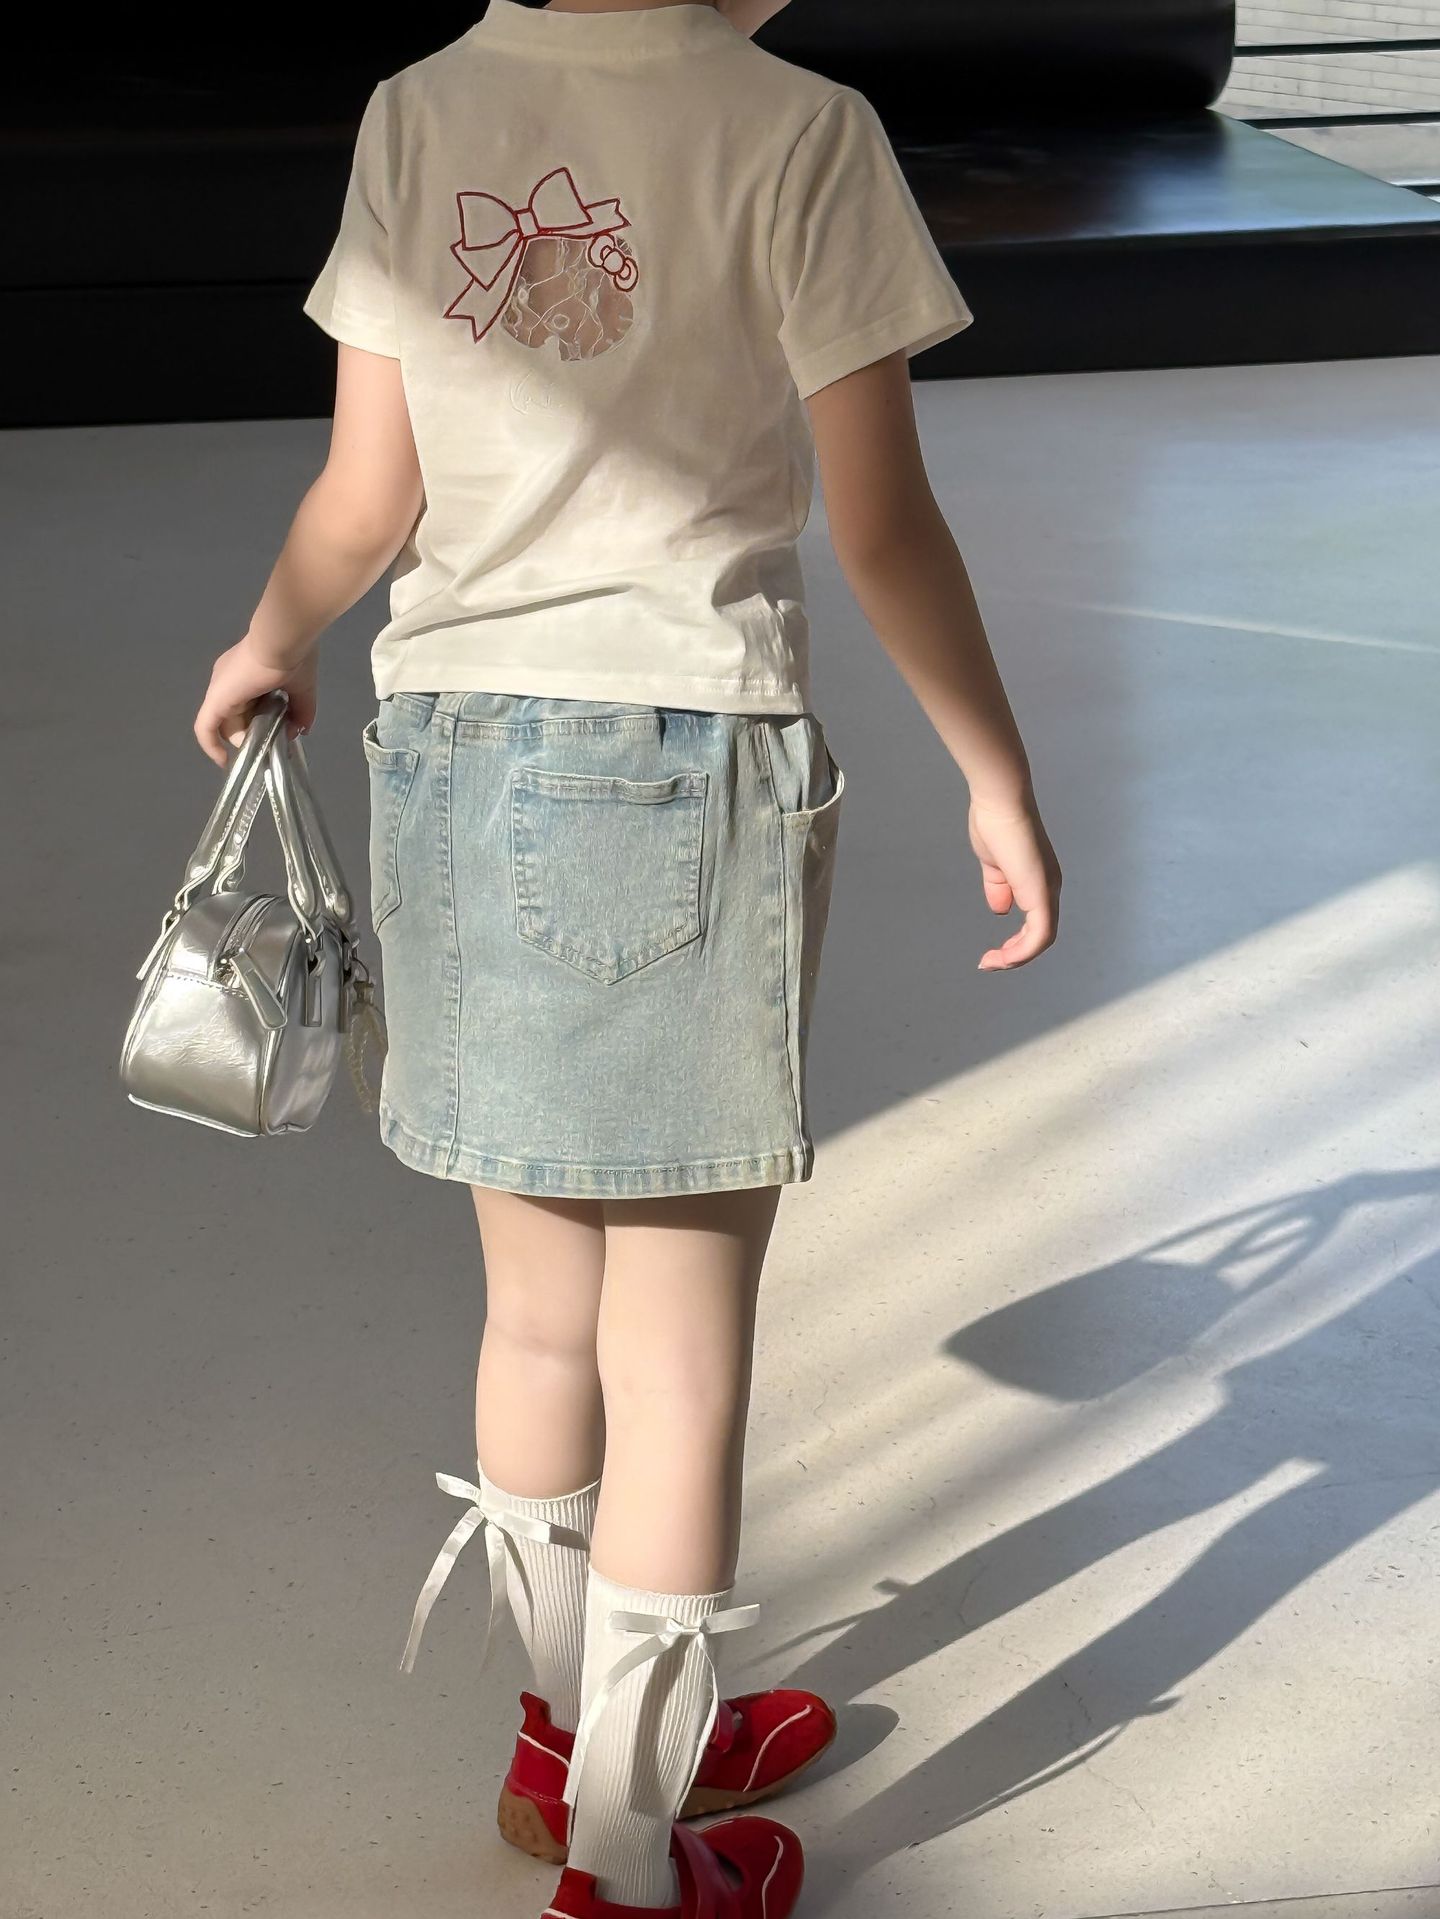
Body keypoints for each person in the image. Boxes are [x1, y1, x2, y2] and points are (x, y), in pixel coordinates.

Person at [193, 2, 1062, 1914]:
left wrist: (273, 635)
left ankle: (571, 1737)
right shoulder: (800, 129)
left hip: (450, 753)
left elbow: (367, 495)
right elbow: (881, 520)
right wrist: (994, 770)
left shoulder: (417, 107)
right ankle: (628, 1863)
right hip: (682, 762)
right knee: (677, 1365)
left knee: (535, 1321)